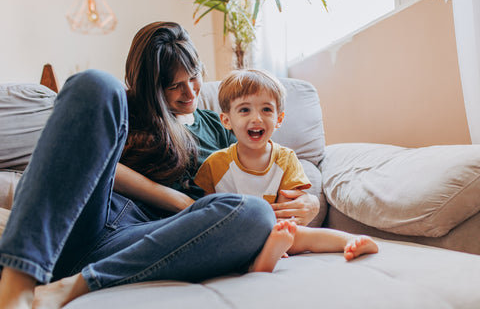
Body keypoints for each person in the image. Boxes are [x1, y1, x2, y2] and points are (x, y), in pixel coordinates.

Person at [0, 22, 288, 309]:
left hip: (151, 241)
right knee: (96, 82)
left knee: (256, 213)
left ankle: (75, 284)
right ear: (151, 86)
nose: (189, 92)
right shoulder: (124, 111)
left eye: (194, 76)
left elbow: (275, 170)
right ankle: (18, 284)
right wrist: (178, 199)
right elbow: (78, 164)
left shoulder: (222, 125)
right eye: (174, 85)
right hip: (91, 220)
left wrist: (308, 201)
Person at [194, 69, 379, 272]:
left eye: (266, 110)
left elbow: (288, 208)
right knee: (222, 243)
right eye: (245, 110)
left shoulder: (285, 158)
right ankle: (262, 259)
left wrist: (279, 232)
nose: (256, 118)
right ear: (226, 120)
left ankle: (351, 240)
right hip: (234, 235)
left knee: (300, 235)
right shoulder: (214, 164)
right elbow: (206, 210)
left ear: (279, 119)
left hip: (275, 230)